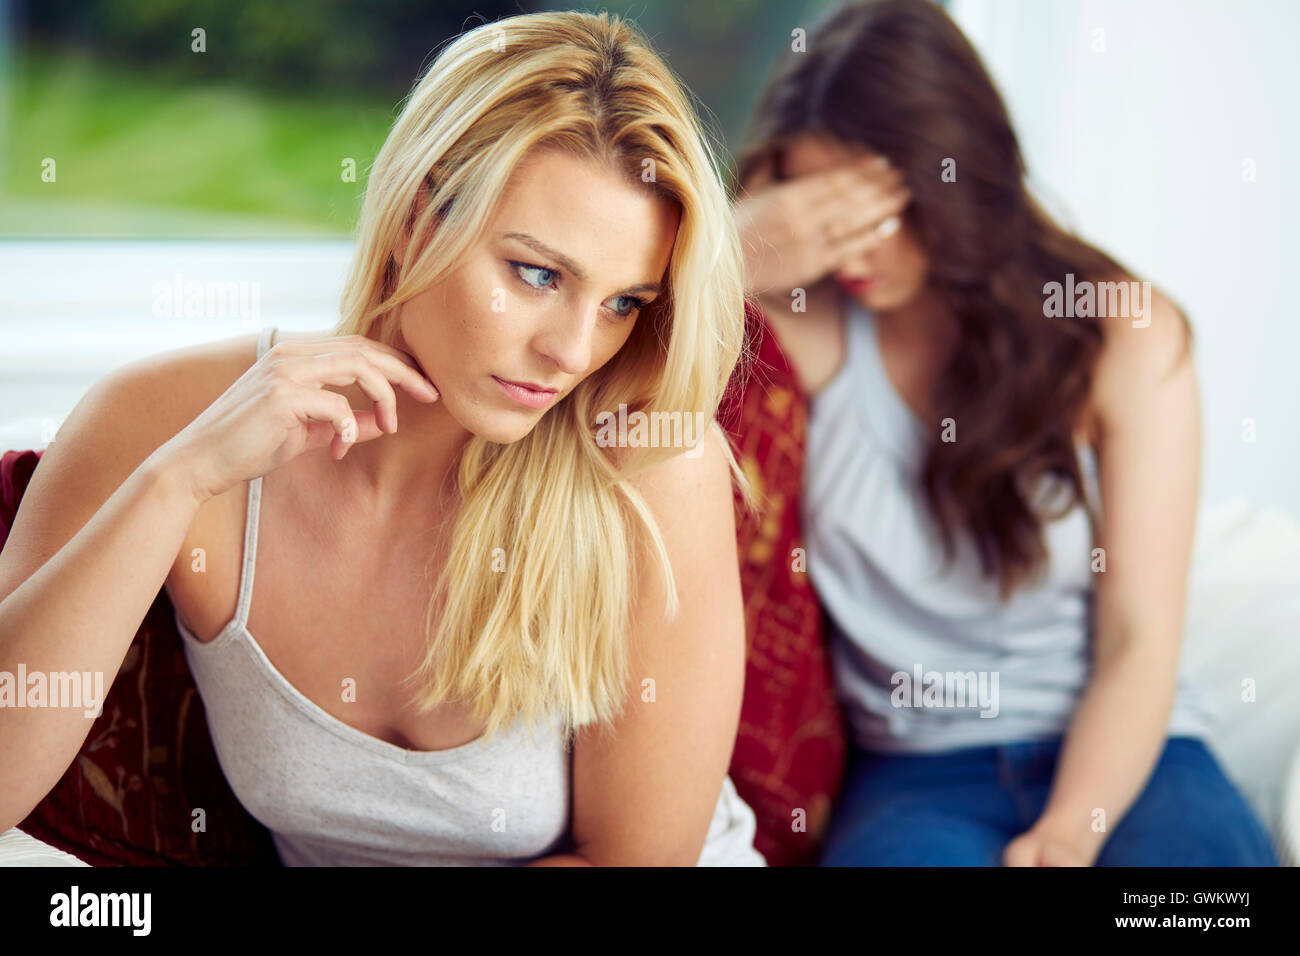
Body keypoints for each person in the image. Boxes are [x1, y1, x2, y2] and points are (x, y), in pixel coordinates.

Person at [0, 11, 766, 866]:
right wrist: (178, 482)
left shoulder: (649, 462)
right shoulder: (164, 416)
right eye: (538, 274)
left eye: (625, 302)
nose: (575, 351)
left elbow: (636, 861)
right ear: (414, 217)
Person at [732, 0, 1278, 866]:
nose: (848, 254)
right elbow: (628, 322)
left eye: (876, 209)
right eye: (820, 218)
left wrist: (1068, 834)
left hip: (1131, 754)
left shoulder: (1124, 336)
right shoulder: (817, 321)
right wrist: (738, 247)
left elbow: (1140, 637)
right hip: (915, 774)